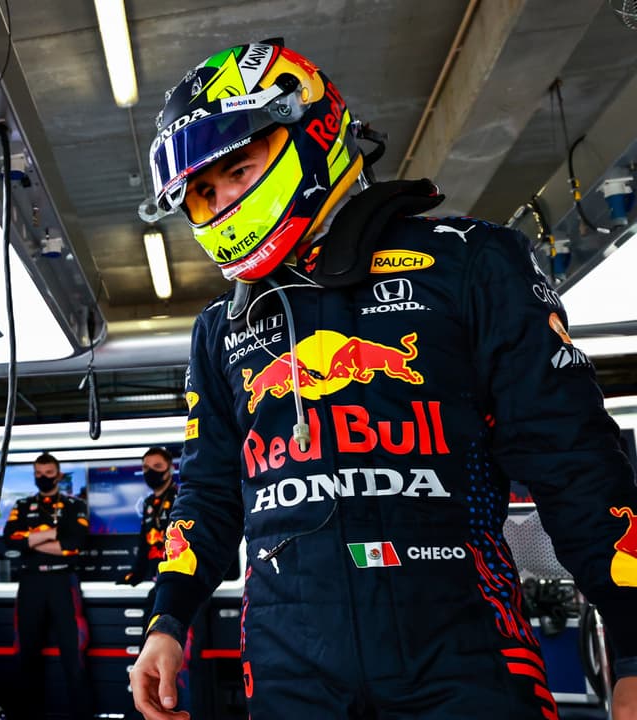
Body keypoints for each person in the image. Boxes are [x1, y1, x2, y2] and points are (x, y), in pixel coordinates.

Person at [130, 40, 637, 720]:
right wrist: (166, 621)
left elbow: (573, 461)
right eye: (201, 194)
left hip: (462, 652)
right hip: (290, 663)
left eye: (237, 170)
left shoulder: (470, 263)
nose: (221, 201)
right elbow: (210, 492)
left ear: (310, 131)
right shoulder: (221, 328)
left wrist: (632, 650)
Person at [1, 453, 91, 720]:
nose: (43, 477)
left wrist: (31, 541)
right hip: (30, 583)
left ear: (59, 475)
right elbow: (11, 540)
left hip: (63, 581)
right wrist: (52, 534)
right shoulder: (22, 504)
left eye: (49, 473)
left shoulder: (75, 505)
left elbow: (74, 545)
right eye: (38, 473)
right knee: (26, 655)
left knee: (73, 655)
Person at [119, 447, 178, 588]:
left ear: (170, 469)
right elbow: (144, 543)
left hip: (178, 579)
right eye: (146, 468)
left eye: (157, 466)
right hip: (158, 578)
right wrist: (136, 574)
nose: (150, 472)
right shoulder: (148, 503)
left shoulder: (182, 499)